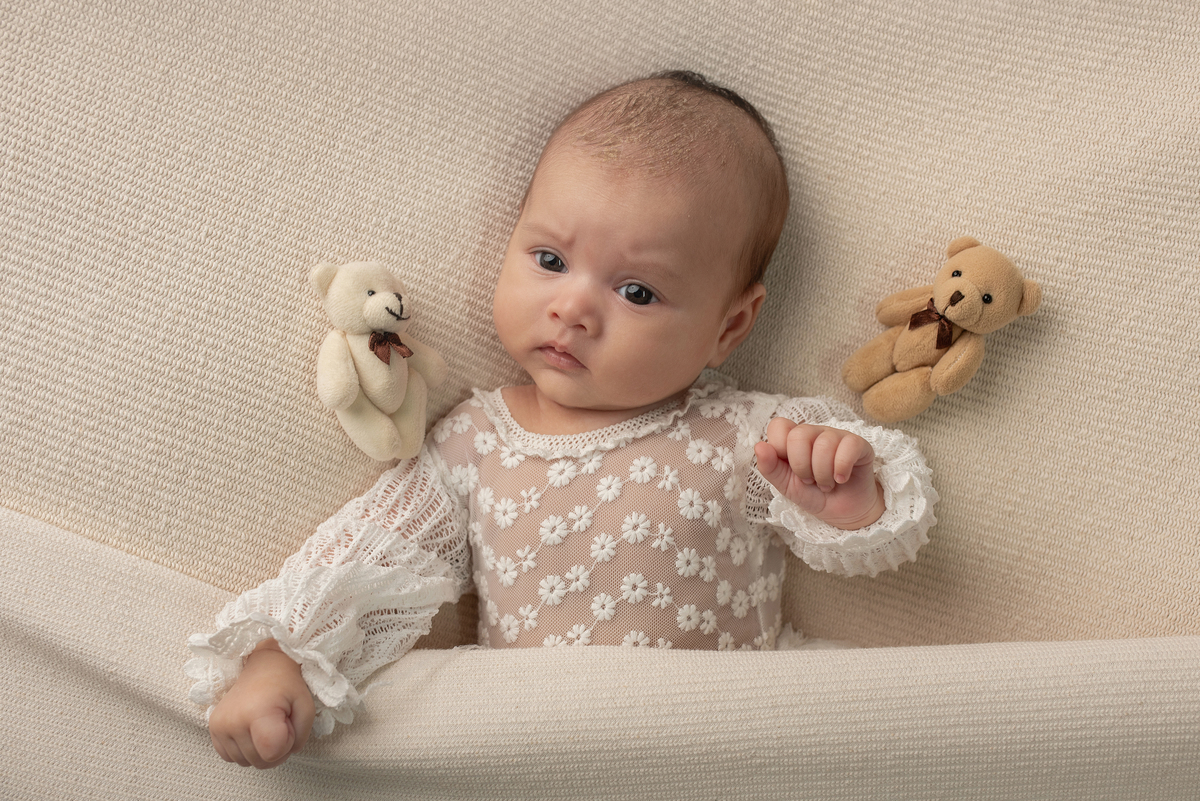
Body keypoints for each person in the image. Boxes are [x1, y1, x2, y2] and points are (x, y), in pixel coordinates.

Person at [186, 70, 938, 769]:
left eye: (637, 292)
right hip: (538, 756)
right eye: (549, 260)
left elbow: (888, 520)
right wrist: (282, 660)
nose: (572, 308)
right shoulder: (475, 442)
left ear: (729, 326)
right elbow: (373, 557)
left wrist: (848, 494)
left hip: (719, 750)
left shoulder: (748, 435)